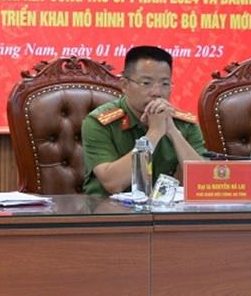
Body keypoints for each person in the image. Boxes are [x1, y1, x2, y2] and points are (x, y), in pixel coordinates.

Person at [82, 45, 206, 196]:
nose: (157, 92)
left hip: (165, 209)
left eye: (165, 84)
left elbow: (204, 183)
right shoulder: (99, 122)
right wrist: (154, 133)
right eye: (146, 83)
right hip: (108, 208)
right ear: (124, 85)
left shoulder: (184, 124)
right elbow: (113, 183)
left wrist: (173, 132)